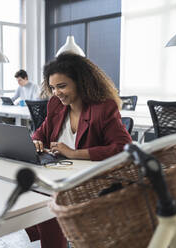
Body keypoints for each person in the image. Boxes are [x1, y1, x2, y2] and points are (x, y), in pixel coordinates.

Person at [26, 52, 132, 248]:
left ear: (80, 82)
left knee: (46, 201)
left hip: (91, 181)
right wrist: (36, 142)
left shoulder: (103, 108)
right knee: (35, 195)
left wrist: (74, 153)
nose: (56, 92)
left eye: (62, 86)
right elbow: (40, 132)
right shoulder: (55, 105)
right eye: (52, 87)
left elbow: (124, 148)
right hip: (60, 176)